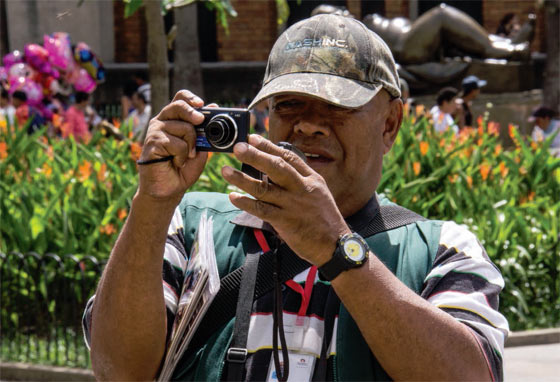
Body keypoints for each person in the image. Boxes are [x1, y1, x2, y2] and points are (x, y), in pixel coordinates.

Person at [84, 14, 508, 381]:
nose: (308, 126)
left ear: (390, 124)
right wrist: (152, 204)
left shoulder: (442, 250)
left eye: (337, 106)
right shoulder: (190, 226)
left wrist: (337, 248)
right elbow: (118, 371)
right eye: (288, 105)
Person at [362, 3, 531, 64]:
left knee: (453, 32)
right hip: (404, 47)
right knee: (441, 15)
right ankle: (500, 50)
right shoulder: (341, 23)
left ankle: (508, 44)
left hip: (411, 40)